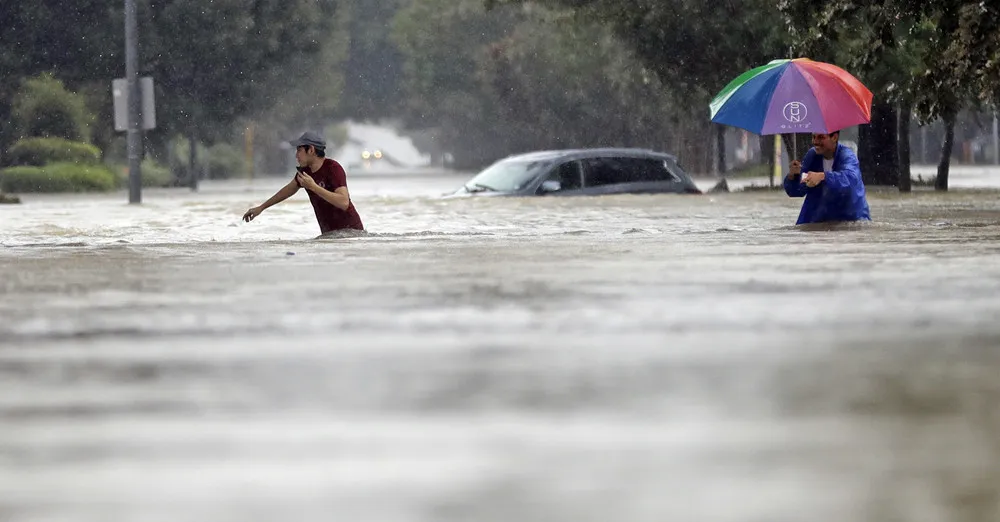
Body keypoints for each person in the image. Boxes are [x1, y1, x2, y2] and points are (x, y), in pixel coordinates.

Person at [243, 132, 364, 234]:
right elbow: (286, 191)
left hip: (351, 233)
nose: (296, 155)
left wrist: (313, 187)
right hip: (329, 235)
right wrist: (261, 208)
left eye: (299, 150)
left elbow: (343, 202)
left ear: (311, 150)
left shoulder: (333, 168)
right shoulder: (305, 172)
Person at [784, 131, 871, 225]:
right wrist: (792, 176)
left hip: (851, 220)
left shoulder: (847, 156)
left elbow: (851, 180)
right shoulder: (812, 155)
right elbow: (798, 190)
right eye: (813, 137)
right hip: (819, 219)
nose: (815, 141)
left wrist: (823, 176)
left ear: (834, 137)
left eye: (821, 137)